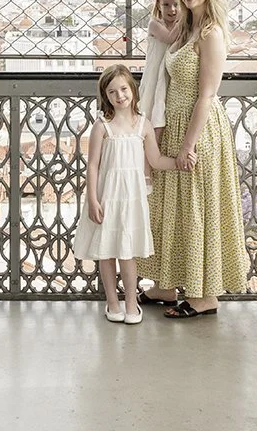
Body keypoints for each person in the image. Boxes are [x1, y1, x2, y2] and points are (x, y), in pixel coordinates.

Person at [136, 0, 248, 318]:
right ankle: (167, 285)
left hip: (197, 129)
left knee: (198, 208)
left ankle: (205, 296)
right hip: (174, 122)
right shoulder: (186, 26)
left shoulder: (211, 33)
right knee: (172, 207)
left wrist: (187, 145)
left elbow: (207, 95)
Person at [72, 64, 179, 324]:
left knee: (127, 253)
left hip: (132, 199)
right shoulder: (102, 126)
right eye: (112, 92)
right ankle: (112, 303)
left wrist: (179, 162)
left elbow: (154, 159)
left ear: (133, 89)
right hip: (107, 197)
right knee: (106, 252)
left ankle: (131, 304)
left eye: (123, 89)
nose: (119, 96)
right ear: (105, 96)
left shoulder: (143, 125)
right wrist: (92, 200)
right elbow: (93, 165)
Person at [139, 0, 179, 148]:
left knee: (164, 115)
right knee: (150, 112)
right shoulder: (155, 24)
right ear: (158, 6)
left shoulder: (180, 26)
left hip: (170, 76)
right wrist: (186, 20)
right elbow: (170, 38)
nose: (172, 9)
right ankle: (150, 154)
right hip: (154, 77)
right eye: (166, 5)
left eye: (177, 4)